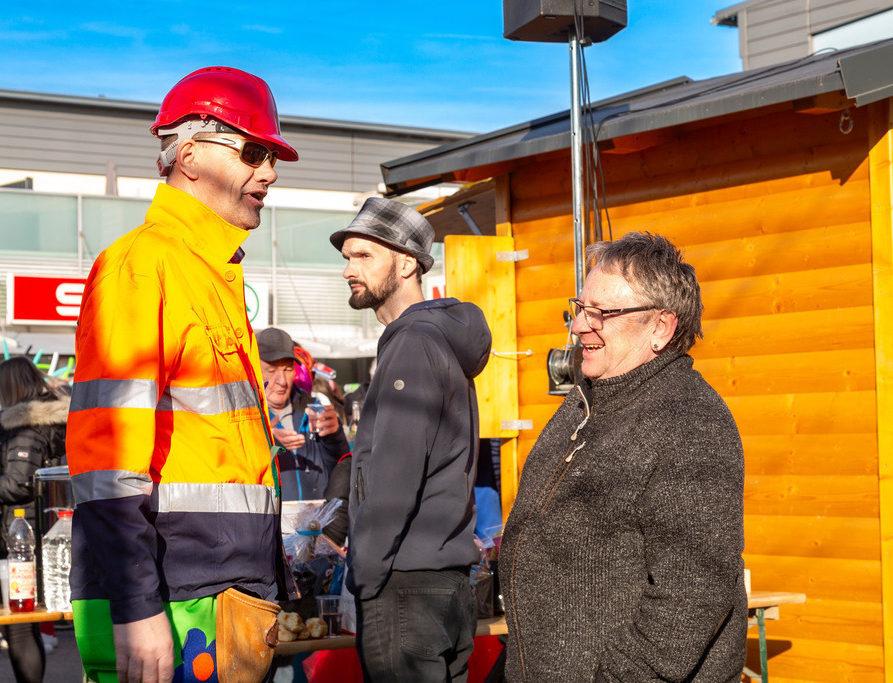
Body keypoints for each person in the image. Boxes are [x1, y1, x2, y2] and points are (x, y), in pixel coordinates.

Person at [67, 66, 298, 683]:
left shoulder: (206, 273)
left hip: (216, 590)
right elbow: (106, 455)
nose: (269, 173)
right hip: (174, 599)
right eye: (253, 152)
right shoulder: (143, 267)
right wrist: (136, 607)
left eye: (273, 156)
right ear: (190, 154)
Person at [501, 232, 746, 682]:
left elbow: (691, 594)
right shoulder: (583, 403)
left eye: (603, 314)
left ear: (661, 327)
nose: (579, 327)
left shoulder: (689, 421)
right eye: (580, 308)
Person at [330, 197, 492, 682]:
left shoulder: (414, 343)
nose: (348, 271)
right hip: (439, 583)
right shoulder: (433, 341)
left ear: (406, 263)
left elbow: (395, 477)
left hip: (406, 587)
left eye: (363, 256)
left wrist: (366, 578)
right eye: (347, 258)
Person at [0, 356, 70, 683]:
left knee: (20, 627)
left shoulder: (27, 427)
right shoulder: (27, 424)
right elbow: (4, 457)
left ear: (10, 386)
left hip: (20, 536)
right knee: (22, 624)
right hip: (25, 533)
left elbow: (19, 484)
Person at [257, 327, 348, 501]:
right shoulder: (245, 416)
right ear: (254, 370)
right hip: (272, 523)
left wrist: (335, 435)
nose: (282, 381)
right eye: (271, 370)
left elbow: (338, 466)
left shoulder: (315, 407)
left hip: (316, 522)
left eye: (287, 369)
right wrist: (267, 441)